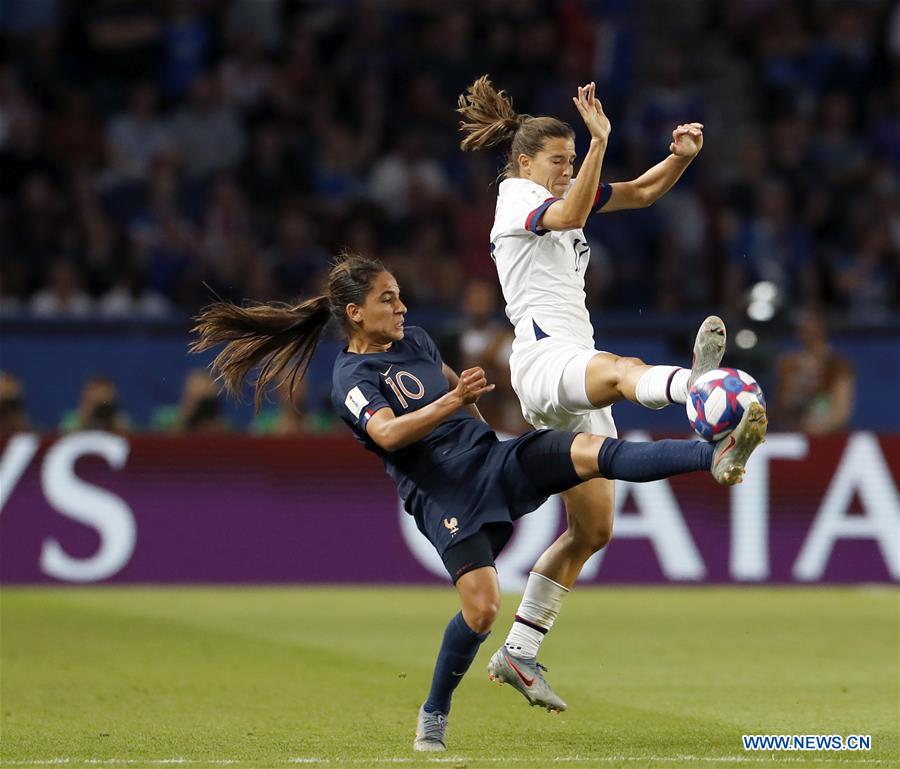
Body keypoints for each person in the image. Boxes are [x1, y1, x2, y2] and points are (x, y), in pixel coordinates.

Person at [191, 253, 767, 752]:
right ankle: (434, 712)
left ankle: (712, 456)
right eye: (388, 299)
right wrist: (453, 402)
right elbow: (388, 433)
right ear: (355, 313)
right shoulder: (352, 376)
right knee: (483, 610)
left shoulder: (416, 341)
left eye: (399, 295)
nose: (402, 307)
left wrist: (477, 422)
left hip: (490, 459)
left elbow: (451, 381)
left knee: (593, 452)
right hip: (444, 492)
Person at [457, 76, 722, 708]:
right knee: (623, 368)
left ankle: (519, 652)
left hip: (569, 364)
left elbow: (641, 192)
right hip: (546, 359)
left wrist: (680, 159)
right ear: (525, 164)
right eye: (559, 160)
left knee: (593, 530)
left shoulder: (558, 191)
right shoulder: (516, 198)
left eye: (572, 159)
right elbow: (573, 213)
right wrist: (601, 140)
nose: (568, 170)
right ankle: (695, 387)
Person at [775, 311, 855, 434]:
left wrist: (818, 428)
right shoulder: (789, 364)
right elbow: (782, 403)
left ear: (823, 332)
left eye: (814, 331)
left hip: (827, 431)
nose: (810, 336)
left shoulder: (838, 366)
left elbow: (842, 410)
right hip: (794, 431)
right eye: (805, 331)